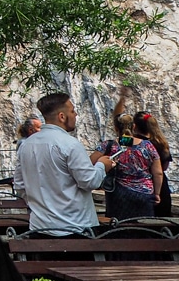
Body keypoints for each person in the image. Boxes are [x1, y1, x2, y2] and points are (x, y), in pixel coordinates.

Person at [13, 92, 115, 235]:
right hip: (75, 227)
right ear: (62, 116)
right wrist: (102, 166)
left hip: (40, 227)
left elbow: (19, 185)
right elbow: (89, 182)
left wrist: (41, 205)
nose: (76, 114)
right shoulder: (70, 144)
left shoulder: (26, 145)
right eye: (72, 111)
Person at [113, 87, 173, 217]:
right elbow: (163, 168)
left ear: (134, 126)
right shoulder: (161, 143)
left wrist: (122, 99)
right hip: (162, 188)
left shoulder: (135, 142)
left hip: (142, 189)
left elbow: (117, 123)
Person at [98, 113, 162, 220]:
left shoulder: (109, 145)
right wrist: (157, 193)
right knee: (143, 229)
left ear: (115, 128)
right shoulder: (148, 145)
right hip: (144, 194)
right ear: (134, 127)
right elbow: (158, 172)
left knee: (119, 228)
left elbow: (90, 162)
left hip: (118, 195)